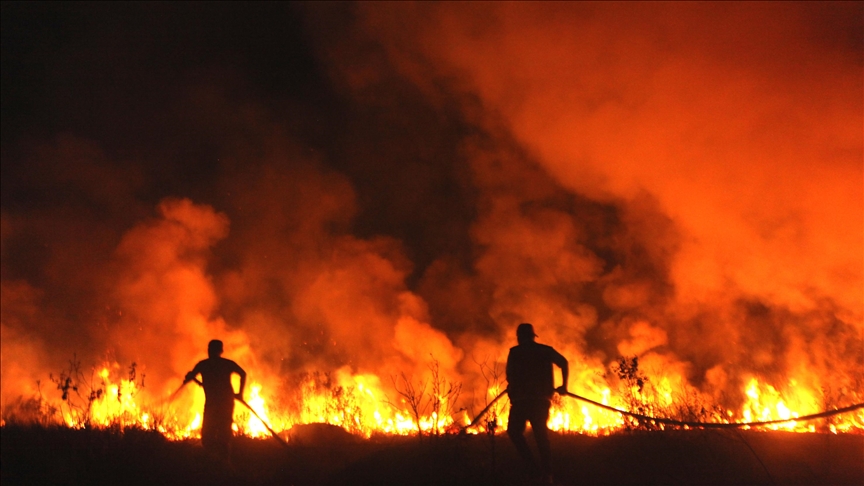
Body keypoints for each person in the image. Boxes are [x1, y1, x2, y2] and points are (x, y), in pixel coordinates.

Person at [506, 323, 569, 484]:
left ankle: (533, 469)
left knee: (514, 432)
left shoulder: (515, 352)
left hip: (521, 401)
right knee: (541, 436)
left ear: (519, 337)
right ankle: (547, 474)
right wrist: (564, 386)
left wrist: (512, 388)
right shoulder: (545, 351)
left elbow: (510, 375)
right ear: (533, 337)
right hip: (541, 400)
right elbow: (564, 362)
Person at [185, 339, 247, 457]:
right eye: (209, 349)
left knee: (210, 433)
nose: (210, 351)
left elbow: (191, 375)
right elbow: (243, 373)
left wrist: (190, 377)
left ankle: (217, 459)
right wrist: (239, 393)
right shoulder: (227, 363)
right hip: (224, 401)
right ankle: (221, 458)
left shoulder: (203, 364)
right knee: (222, 431)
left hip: (215, 403)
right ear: (221, 351)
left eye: (211, 349)